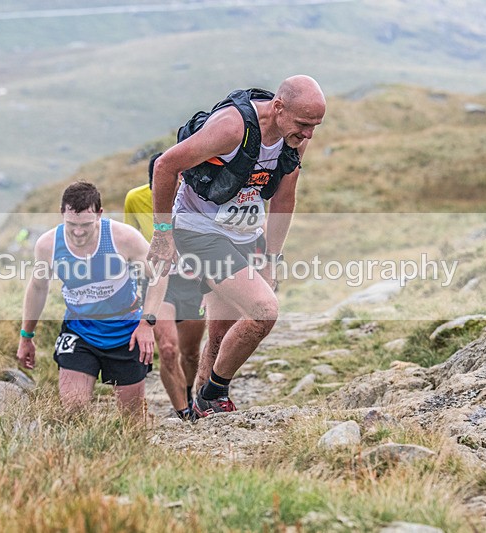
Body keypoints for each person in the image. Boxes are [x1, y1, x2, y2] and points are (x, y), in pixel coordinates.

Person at [147, 75, 326, 418]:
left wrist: (271, 259)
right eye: (304, 124)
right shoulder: (232, 128)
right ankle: (215, 394)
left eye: (316, 126)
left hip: (244, 233)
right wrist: (162, 233)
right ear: (278, 107)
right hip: (198, 230)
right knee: (263, 311)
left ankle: (200, 407)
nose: (308, 135)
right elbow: (165, 165)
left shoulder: (294, 139)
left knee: (220, 333)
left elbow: (284, 197)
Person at [17, 181, 168, 416]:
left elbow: (159, 276)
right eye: (71, 224)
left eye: (86, 225)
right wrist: (26, 336)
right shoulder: (48, 245)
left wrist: (147, 323)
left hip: (125, 332)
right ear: (61, 214)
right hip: (79, 331)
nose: (78, 232)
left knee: (132, 420)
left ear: (99, 214)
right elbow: (37, 287)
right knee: (73, 410)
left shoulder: (124, 238)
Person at [123, 160, 206, 420]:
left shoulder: (196, 197)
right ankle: (184, 413)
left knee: (191, 353)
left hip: (194, 282)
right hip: (158, 282)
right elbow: (129, 241)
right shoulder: (135, 199)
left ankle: (190, 393)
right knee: (169, 349)